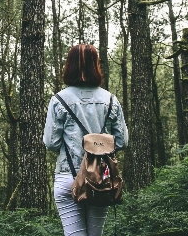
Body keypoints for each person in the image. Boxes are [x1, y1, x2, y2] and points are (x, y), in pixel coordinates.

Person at [43, 44, 128, 236]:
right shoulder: (111, 100)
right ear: (95, 66)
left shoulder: (58, 100)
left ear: (69, 65)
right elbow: (121, 141)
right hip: (101, 179)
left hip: (68, 176)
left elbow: (51, 143)